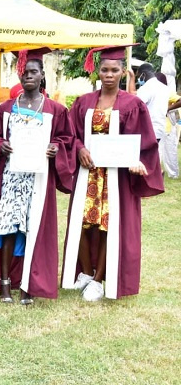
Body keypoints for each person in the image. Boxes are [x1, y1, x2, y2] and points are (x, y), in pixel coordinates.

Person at [61, 45, 165, 302]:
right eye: (105, 69)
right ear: (98, 71)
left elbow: (144, 140)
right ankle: (85, 273)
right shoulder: (84, 102)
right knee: (83, 223)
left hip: (116, 178)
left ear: (122, 72)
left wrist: (137, 161)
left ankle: (98, 280)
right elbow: (70, 134)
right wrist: (80, 148)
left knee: (108, 225)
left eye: (114, 70)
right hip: (89, 173)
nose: (109, 74)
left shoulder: (133, 103)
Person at [0, 47, 74, 304]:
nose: (28, 76)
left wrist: (56, 148)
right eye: (24, 72)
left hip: (39, 179)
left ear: (42, 75)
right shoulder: (6, 108)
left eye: (33, 72)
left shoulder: (55, 110)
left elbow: (67, 139)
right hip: (12, 178)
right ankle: (5, 284)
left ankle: (28, 285)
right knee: (8, 229)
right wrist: (1, 146)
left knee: (32, 229)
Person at [128, 63, 169, 143]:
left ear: (143, 74)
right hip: (159, 130)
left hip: (148, 129)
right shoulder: (164, 88)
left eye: (139, 76)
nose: (139, 79)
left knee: (143, 155)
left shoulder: (147, 87)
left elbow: (135, 105)